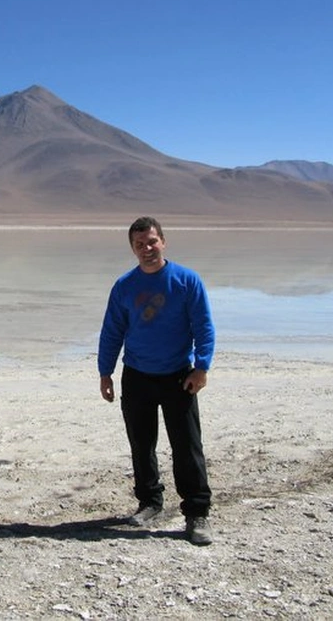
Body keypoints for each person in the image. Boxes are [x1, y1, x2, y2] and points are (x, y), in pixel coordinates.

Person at [97, 216, 215, 545]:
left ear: (163, 241)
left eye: (151, 242)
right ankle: (149, 502)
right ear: (132, 249)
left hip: (179, 375)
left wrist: (202, 368)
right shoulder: (124, 286)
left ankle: (197, 512)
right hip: (137, 375)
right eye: (139, 244)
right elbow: (112, 330)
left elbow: (204, 327)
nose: (147, 248)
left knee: (187, 446)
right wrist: (105, 372)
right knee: (141, 443)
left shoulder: (186, 281)